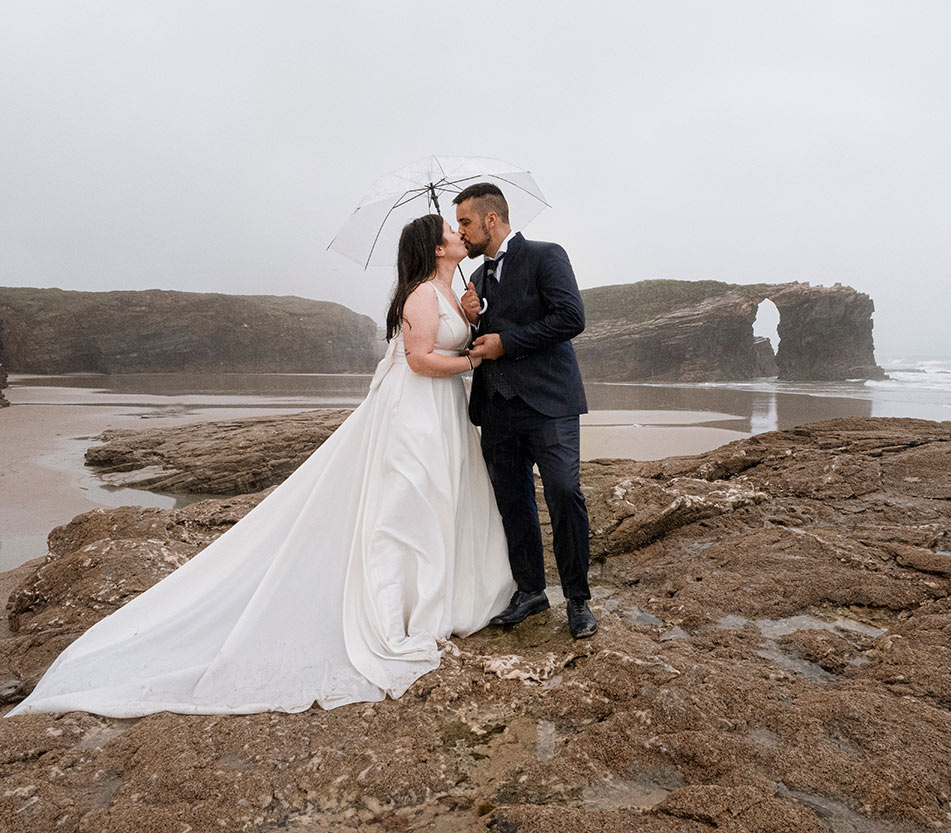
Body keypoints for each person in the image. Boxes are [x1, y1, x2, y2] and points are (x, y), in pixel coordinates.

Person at [6, 215, 514, 718]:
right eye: (450, 229)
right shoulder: (421, 295)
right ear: (434, 246)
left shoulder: (453, 292)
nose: (459, 232)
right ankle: (405, 606)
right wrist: (477, 360)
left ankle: (439, 594)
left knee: (442, 497)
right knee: (410, 502)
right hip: (418, 410)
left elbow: (452, 342)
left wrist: (471, 315)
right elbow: (422, 359)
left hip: (444, 411)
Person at [454, 183, 597, 639]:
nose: (462, 234)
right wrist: (472, 319)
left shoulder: (545, 255)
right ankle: (531, 591)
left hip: (548, 403)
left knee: (563, 493)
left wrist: (505, 342)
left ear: (491, 220)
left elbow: (571, 318)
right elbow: (478, 344)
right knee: (512, 503)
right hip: (495, 409)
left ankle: (577, 599)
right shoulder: (474, 281)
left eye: (465, 223)